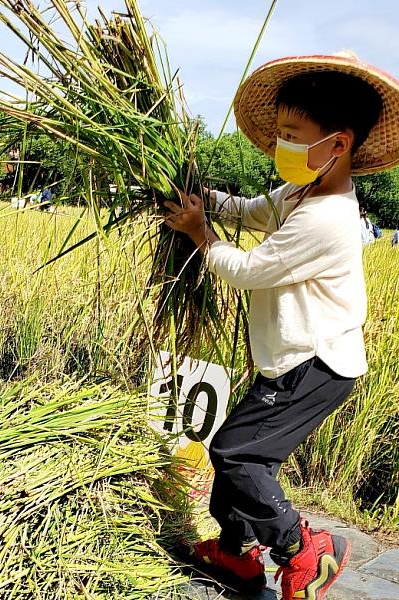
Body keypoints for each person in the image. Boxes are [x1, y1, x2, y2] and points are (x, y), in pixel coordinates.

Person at [164, 53, 399, 599]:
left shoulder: (327, 218)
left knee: (240, 456)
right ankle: (236, 552)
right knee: (233, 452)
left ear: (336, 144)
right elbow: (249, 210)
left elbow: (248, 271)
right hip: (290, 357)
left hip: (317, 362)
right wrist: (204, 203)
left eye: (292, 134)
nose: (279, 146)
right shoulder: (300, 193)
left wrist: (201, 234)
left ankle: (304, 551)